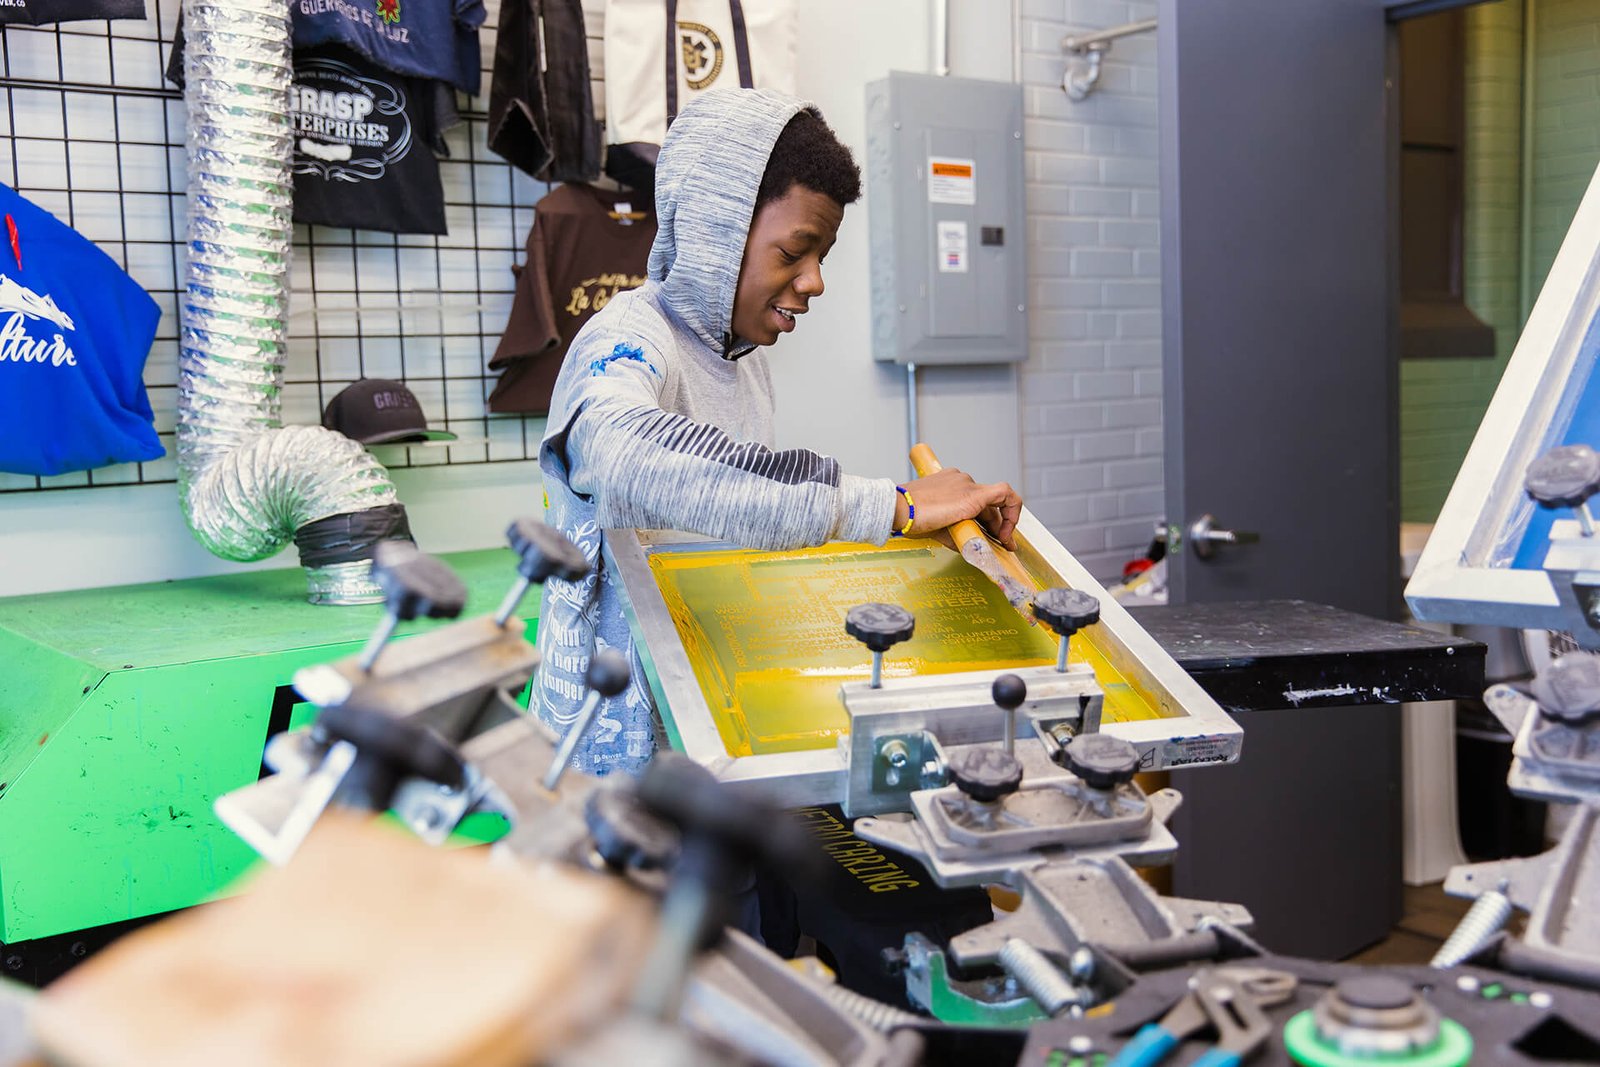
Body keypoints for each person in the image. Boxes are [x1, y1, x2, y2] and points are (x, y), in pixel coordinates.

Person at [535, 87, 1023, 776]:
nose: (815, 281)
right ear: (716, 233)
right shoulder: (627, 341)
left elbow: (742, 504)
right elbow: (621, 454)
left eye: (822, 256)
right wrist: (891, 505)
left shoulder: (743, 360)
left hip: (703, 720)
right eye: (795, 251)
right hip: (618, 756)